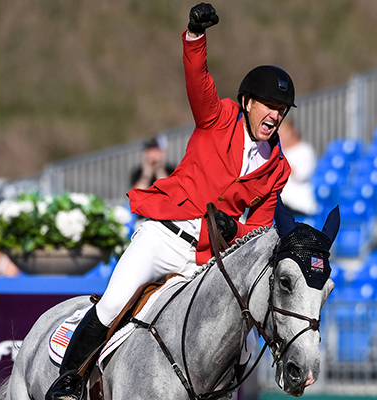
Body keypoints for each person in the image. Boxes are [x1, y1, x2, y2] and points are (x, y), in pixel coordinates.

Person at [46, 3, 295, 399]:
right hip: (164, 237)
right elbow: (198, 80)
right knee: (112, 305)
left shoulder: (278, 166)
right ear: (247, 102)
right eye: (269, 106)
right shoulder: (218, 117)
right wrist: (196, 37)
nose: (275, 116)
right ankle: (68, 383)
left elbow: (263, 230)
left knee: (241, 345)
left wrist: (237, 229)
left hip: (208, 259)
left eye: (281, 111)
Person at [277, 117, 318, 216]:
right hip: (281, 204)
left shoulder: (305, 150)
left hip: (299, 205)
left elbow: (301, 175)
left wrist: (281, 157)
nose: (279, 137)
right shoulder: (280, 152)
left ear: (292, 132)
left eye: (282, 133)